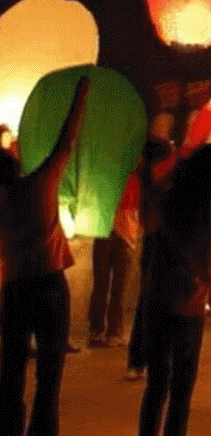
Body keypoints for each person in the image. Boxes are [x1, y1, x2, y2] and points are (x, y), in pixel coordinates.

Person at [0, 75, 90, 436]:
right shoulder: (41, 185)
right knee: (49, 375)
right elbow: (66, 140)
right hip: (50, 287)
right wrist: (80, 96)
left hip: (14, 289)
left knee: (10, 371)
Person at [137, 143, 211, 436]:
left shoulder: (166, 212)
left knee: (156, 386)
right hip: (190, 311)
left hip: (157, 303)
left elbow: (151, 199)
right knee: (181, 391)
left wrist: (180, 166)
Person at [126, 138, 175, 380]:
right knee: (158, 304)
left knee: (146, 302)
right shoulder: (159, 185)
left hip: (151, 244)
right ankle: (149, 360)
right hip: (162, 245)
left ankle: (137, 361)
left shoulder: (146, 180)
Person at [87, 166, 141, 348]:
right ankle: (113, 332)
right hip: (124, 236)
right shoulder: (136, 178)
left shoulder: (105, 174)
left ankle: (96, 331)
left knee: (101, 285)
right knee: (118, 288)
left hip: (103, 232)